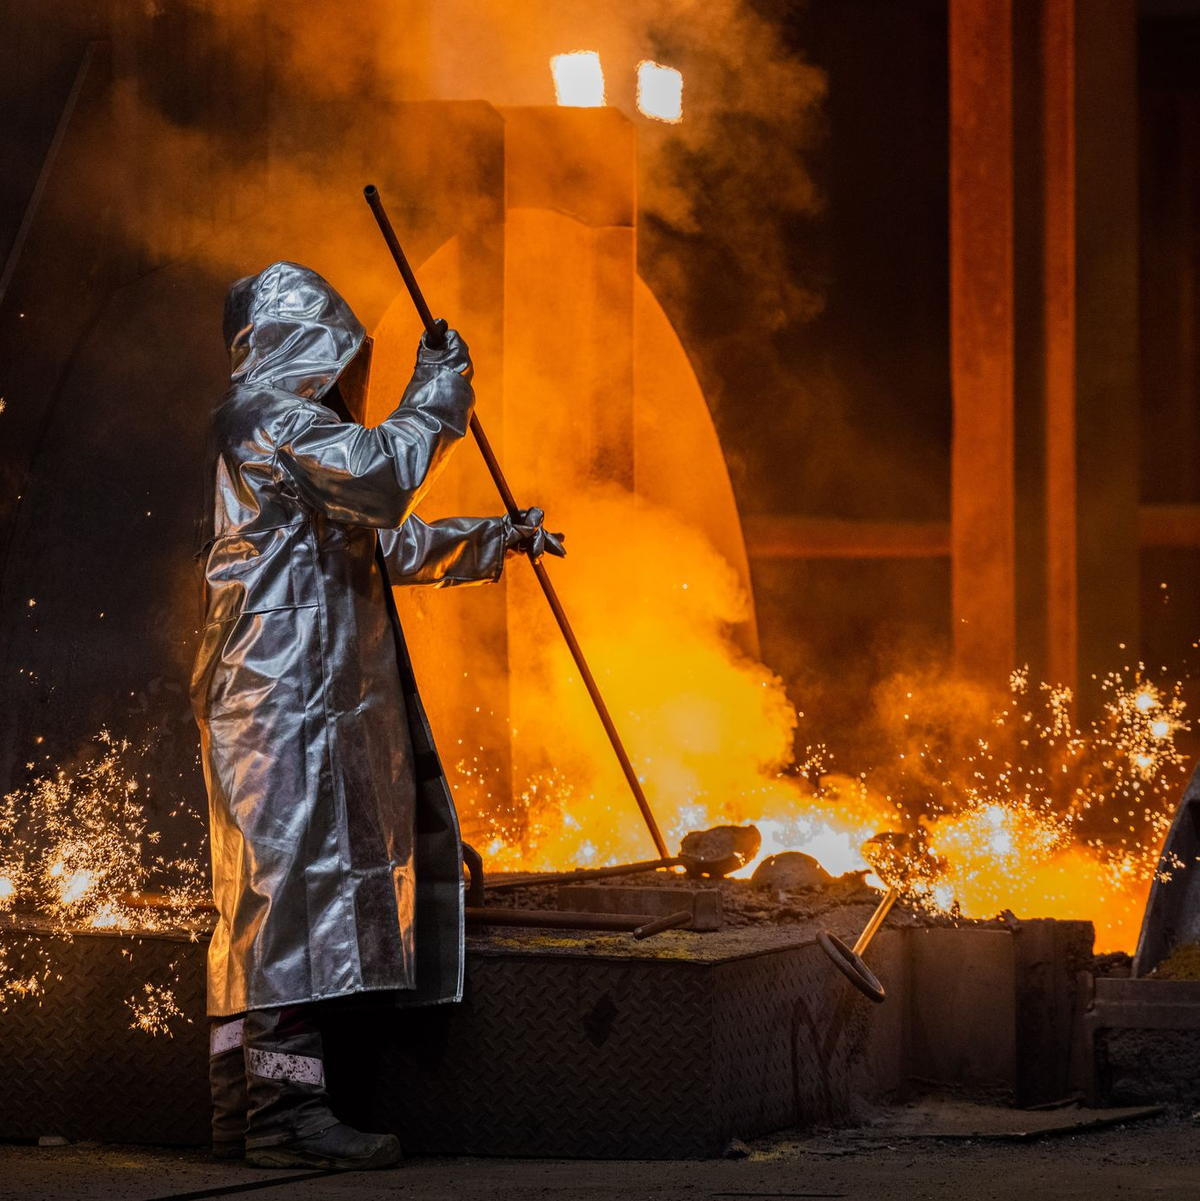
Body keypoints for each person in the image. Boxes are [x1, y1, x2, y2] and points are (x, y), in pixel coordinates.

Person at [191, 261, 562, 1171]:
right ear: (302, 344)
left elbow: (384, 536)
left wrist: (496, 537)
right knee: (287, 900)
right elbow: (385, 474)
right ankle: (284, 1115)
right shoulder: (264, 418)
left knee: (269, 899)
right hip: (282, 702)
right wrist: (436, 393)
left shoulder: (287, 437)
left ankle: (245, 1108)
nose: (344, 376)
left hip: (286, 699)